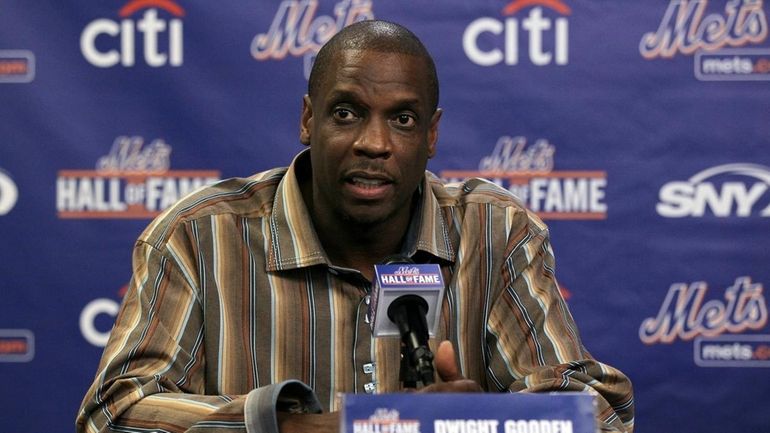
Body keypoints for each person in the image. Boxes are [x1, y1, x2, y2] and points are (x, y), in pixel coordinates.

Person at [77, 20, 634, 433]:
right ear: (307, 119)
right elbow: (115, 413)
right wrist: (312, 428)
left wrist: (470, 422)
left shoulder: (493, 232)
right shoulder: (199, 237)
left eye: (403, 119)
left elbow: (598, 412)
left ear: (432, 136)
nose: (374, 142)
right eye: (346, 113)